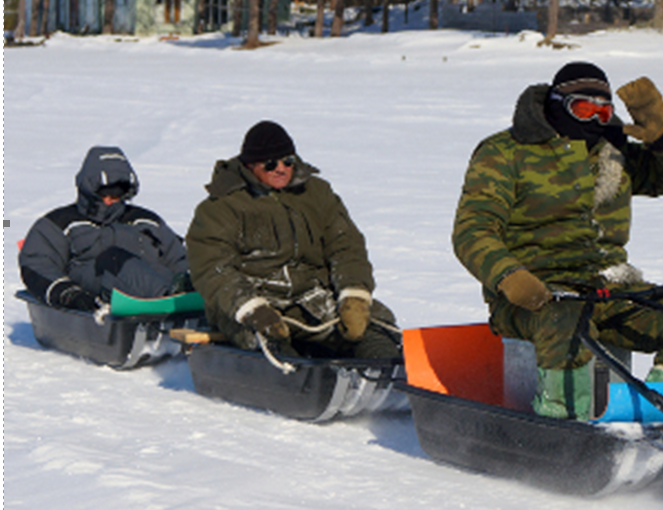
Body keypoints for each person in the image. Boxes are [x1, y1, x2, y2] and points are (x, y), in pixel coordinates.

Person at [453, 62, 663, 419]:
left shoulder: (611, 151)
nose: (595, 120)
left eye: (604, 111)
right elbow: (473, 230)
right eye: (584, 109)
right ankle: (563, 423)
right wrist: (510, 278)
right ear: (559, 105)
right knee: (568, 323)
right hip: (535, 294)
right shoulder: (505, 152)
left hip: (607, 287)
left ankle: (654, 416)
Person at [186, 120, 399, 359]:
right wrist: (253, 310)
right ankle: (296, 380)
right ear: (249, 165)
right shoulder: (220, 207)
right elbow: (214, 269)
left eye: (288, 161)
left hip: (311, 297)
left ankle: (386, 376)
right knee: (270, 341)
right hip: (253, 304)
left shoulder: (317, 193)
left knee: (374, 327)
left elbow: (346, 246)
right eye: (270, 164)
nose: (281, 168)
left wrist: (354, 294)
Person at [20, 146, 190, 311]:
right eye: (103, 195)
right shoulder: (61, 223)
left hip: (148, 285)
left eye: (115, 196)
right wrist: (67, 293)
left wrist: (189, 278)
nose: (108, 201)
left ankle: (189, 297)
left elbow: (178, 258)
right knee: (115, 260)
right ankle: (170, 300)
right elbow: (37, 263)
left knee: (162, 269)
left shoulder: (146, 221)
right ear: (89, 190)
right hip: (96, 290)